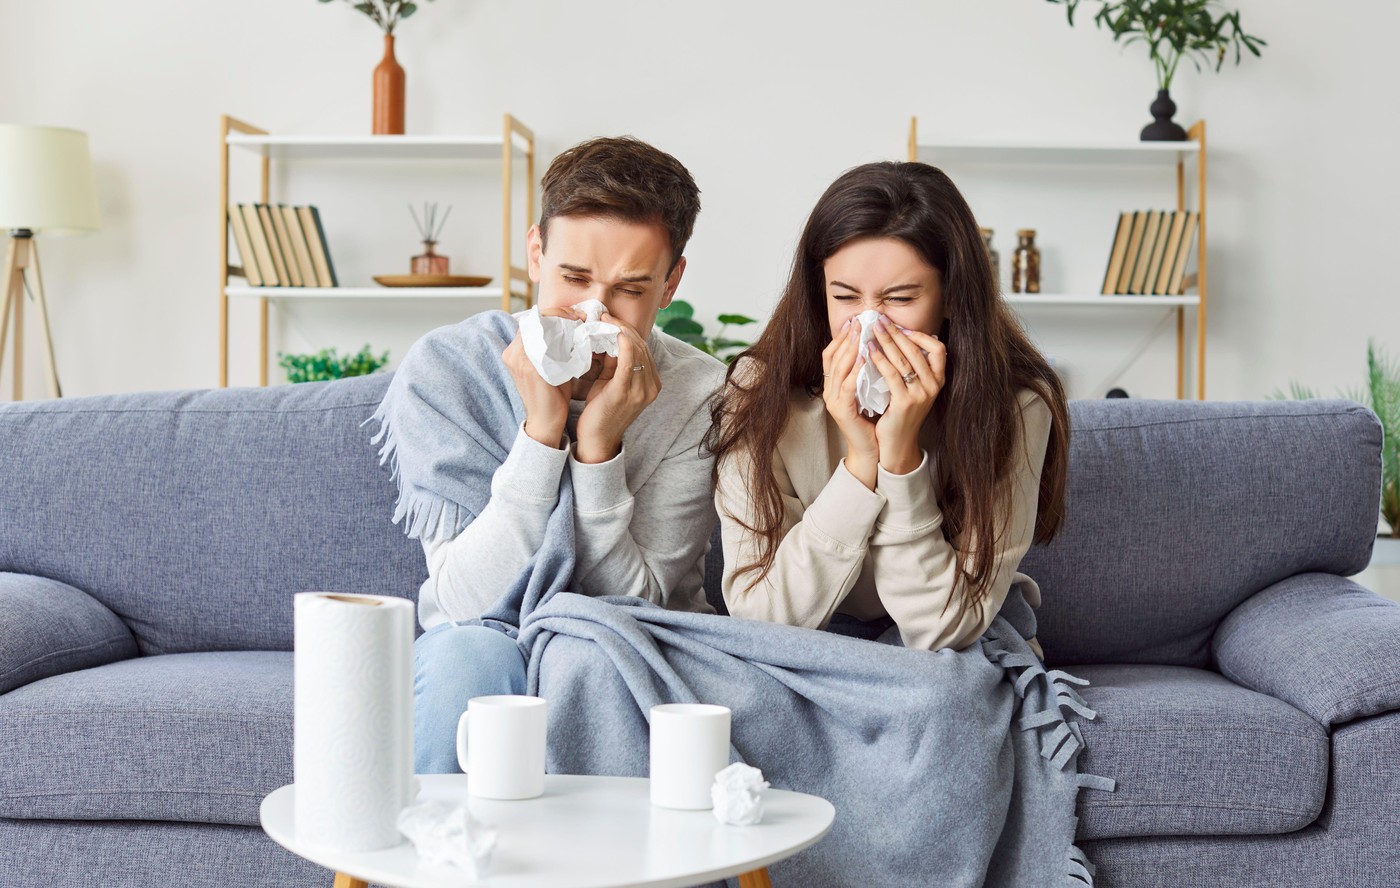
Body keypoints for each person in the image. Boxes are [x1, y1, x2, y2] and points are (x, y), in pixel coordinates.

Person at [405, 137, 725, 772]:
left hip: (631, 640)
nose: (593, 312)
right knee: (469, 656)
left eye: (630, 288)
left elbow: (640, 603)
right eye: (573, 278)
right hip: (482, 635)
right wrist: (541, 434)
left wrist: (600, 450)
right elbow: (467, 604)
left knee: (593, 661)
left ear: (671, 284)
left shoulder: (701, 394)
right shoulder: (450, 370)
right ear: (535, 253)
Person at [707, 161, 1068, 657]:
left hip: (959, 640)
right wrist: (859, 462)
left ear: (950, 299)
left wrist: (899, 458)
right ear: (819, 294)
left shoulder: (1015, 405)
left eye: (899, 298)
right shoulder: (758, 393)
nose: (870, 323)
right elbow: (764, 617)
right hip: (817, 631)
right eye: (845, 296)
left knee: (944, 694)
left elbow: (940, 631)